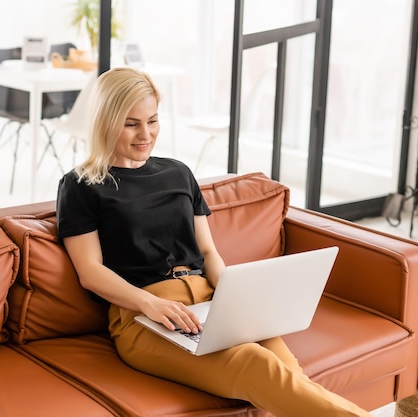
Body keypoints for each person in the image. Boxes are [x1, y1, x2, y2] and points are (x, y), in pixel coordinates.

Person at [56, 67, 372, 417]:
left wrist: (236, 296)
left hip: (210, 301)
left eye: (153, 120)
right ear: (105, 121)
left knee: (288, 370)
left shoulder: (178, 172)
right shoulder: (81, 185)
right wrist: (148, 303)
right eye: (131, 124)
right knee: (256, 364)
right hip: (143, 316)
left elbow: (207, 251)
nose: (146, 134)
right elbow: (90, 270)